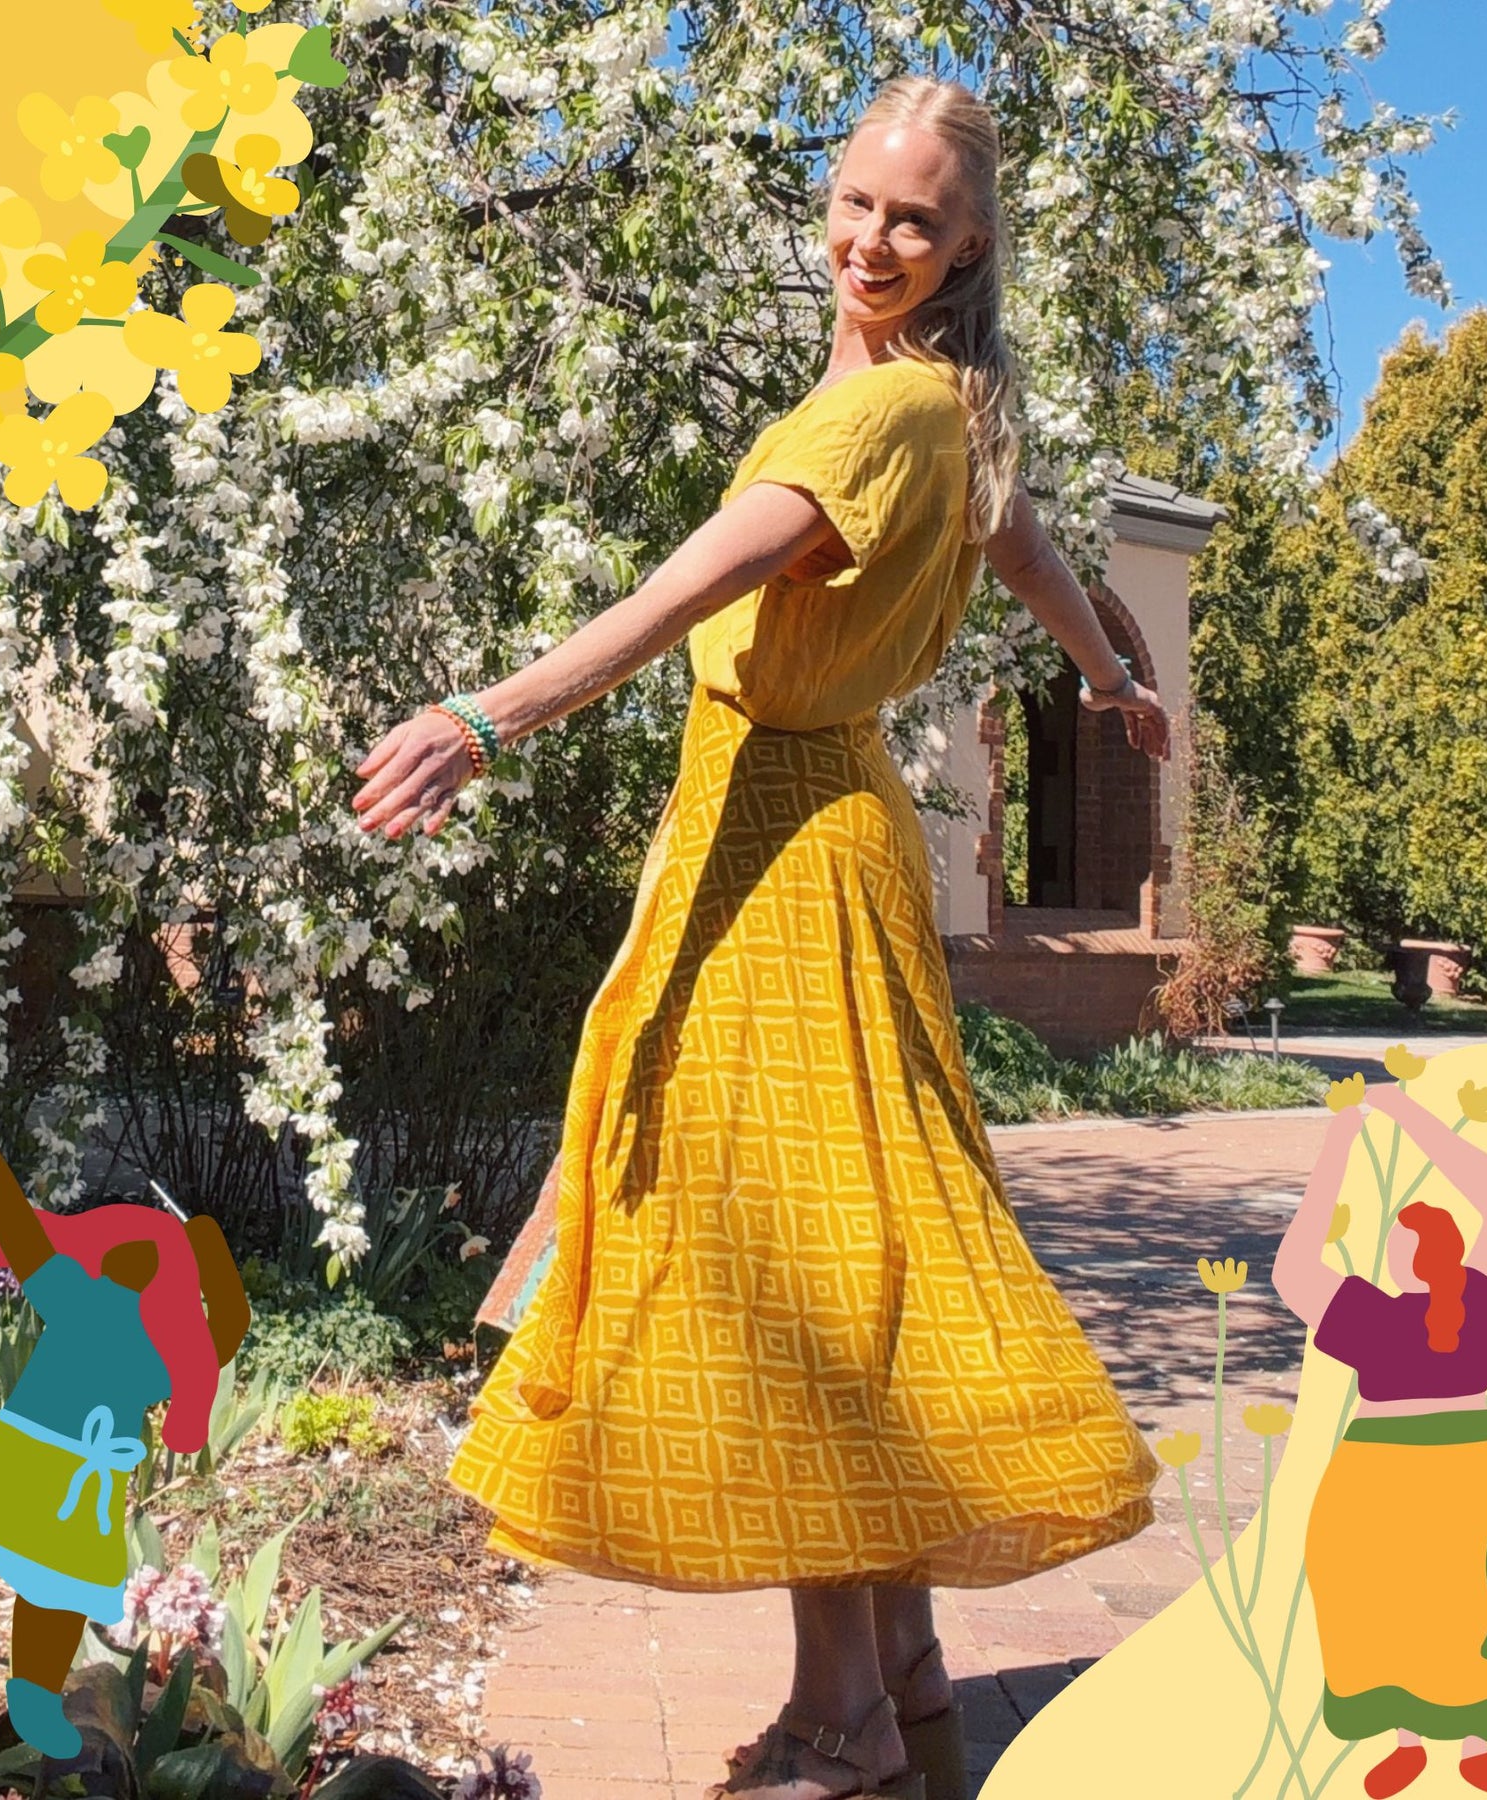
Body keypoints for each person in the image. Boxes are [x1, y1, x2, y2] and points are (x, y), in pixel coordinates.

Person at [354, 75, 1165, 1800]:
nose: (872, 239)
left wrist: (487, 718)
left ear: (969, 246)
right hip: (814, 824)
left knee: (786, 1262)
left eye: (916, 220)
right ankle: (904, 1669)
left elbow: (688, 589)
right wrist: (1108, 678)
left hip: (789, 851)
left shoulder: (880, 418)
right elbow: (1030, 552)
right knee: (843, 1246)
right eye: (858, 199)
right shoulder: (948, 408)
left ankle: (838, 1713)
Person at [0, 1129, 250, 1760]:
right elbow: (229, 1324)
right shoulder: (155, 1353)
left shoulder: (77, 1298)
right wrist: (208, 1244)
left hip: (33, 1475)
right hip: (64, 1492)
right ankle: (30, 1692)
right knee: (43, 1599)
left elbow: (18, 1229)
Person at [1274, 1084, 1487, 1799]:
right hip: (1475, 1469)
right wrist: (1410, 1116)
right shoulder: (1477, 1301)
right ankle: (1471, 1746)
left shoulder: (1368, 1312)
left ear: (1400, 1258)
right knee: (1475, 1600)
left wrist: (1340, 1140)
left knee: (1392, 1602)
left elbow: (1293, 1270)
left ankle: (1410, 1741)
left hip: (1382, 1472)